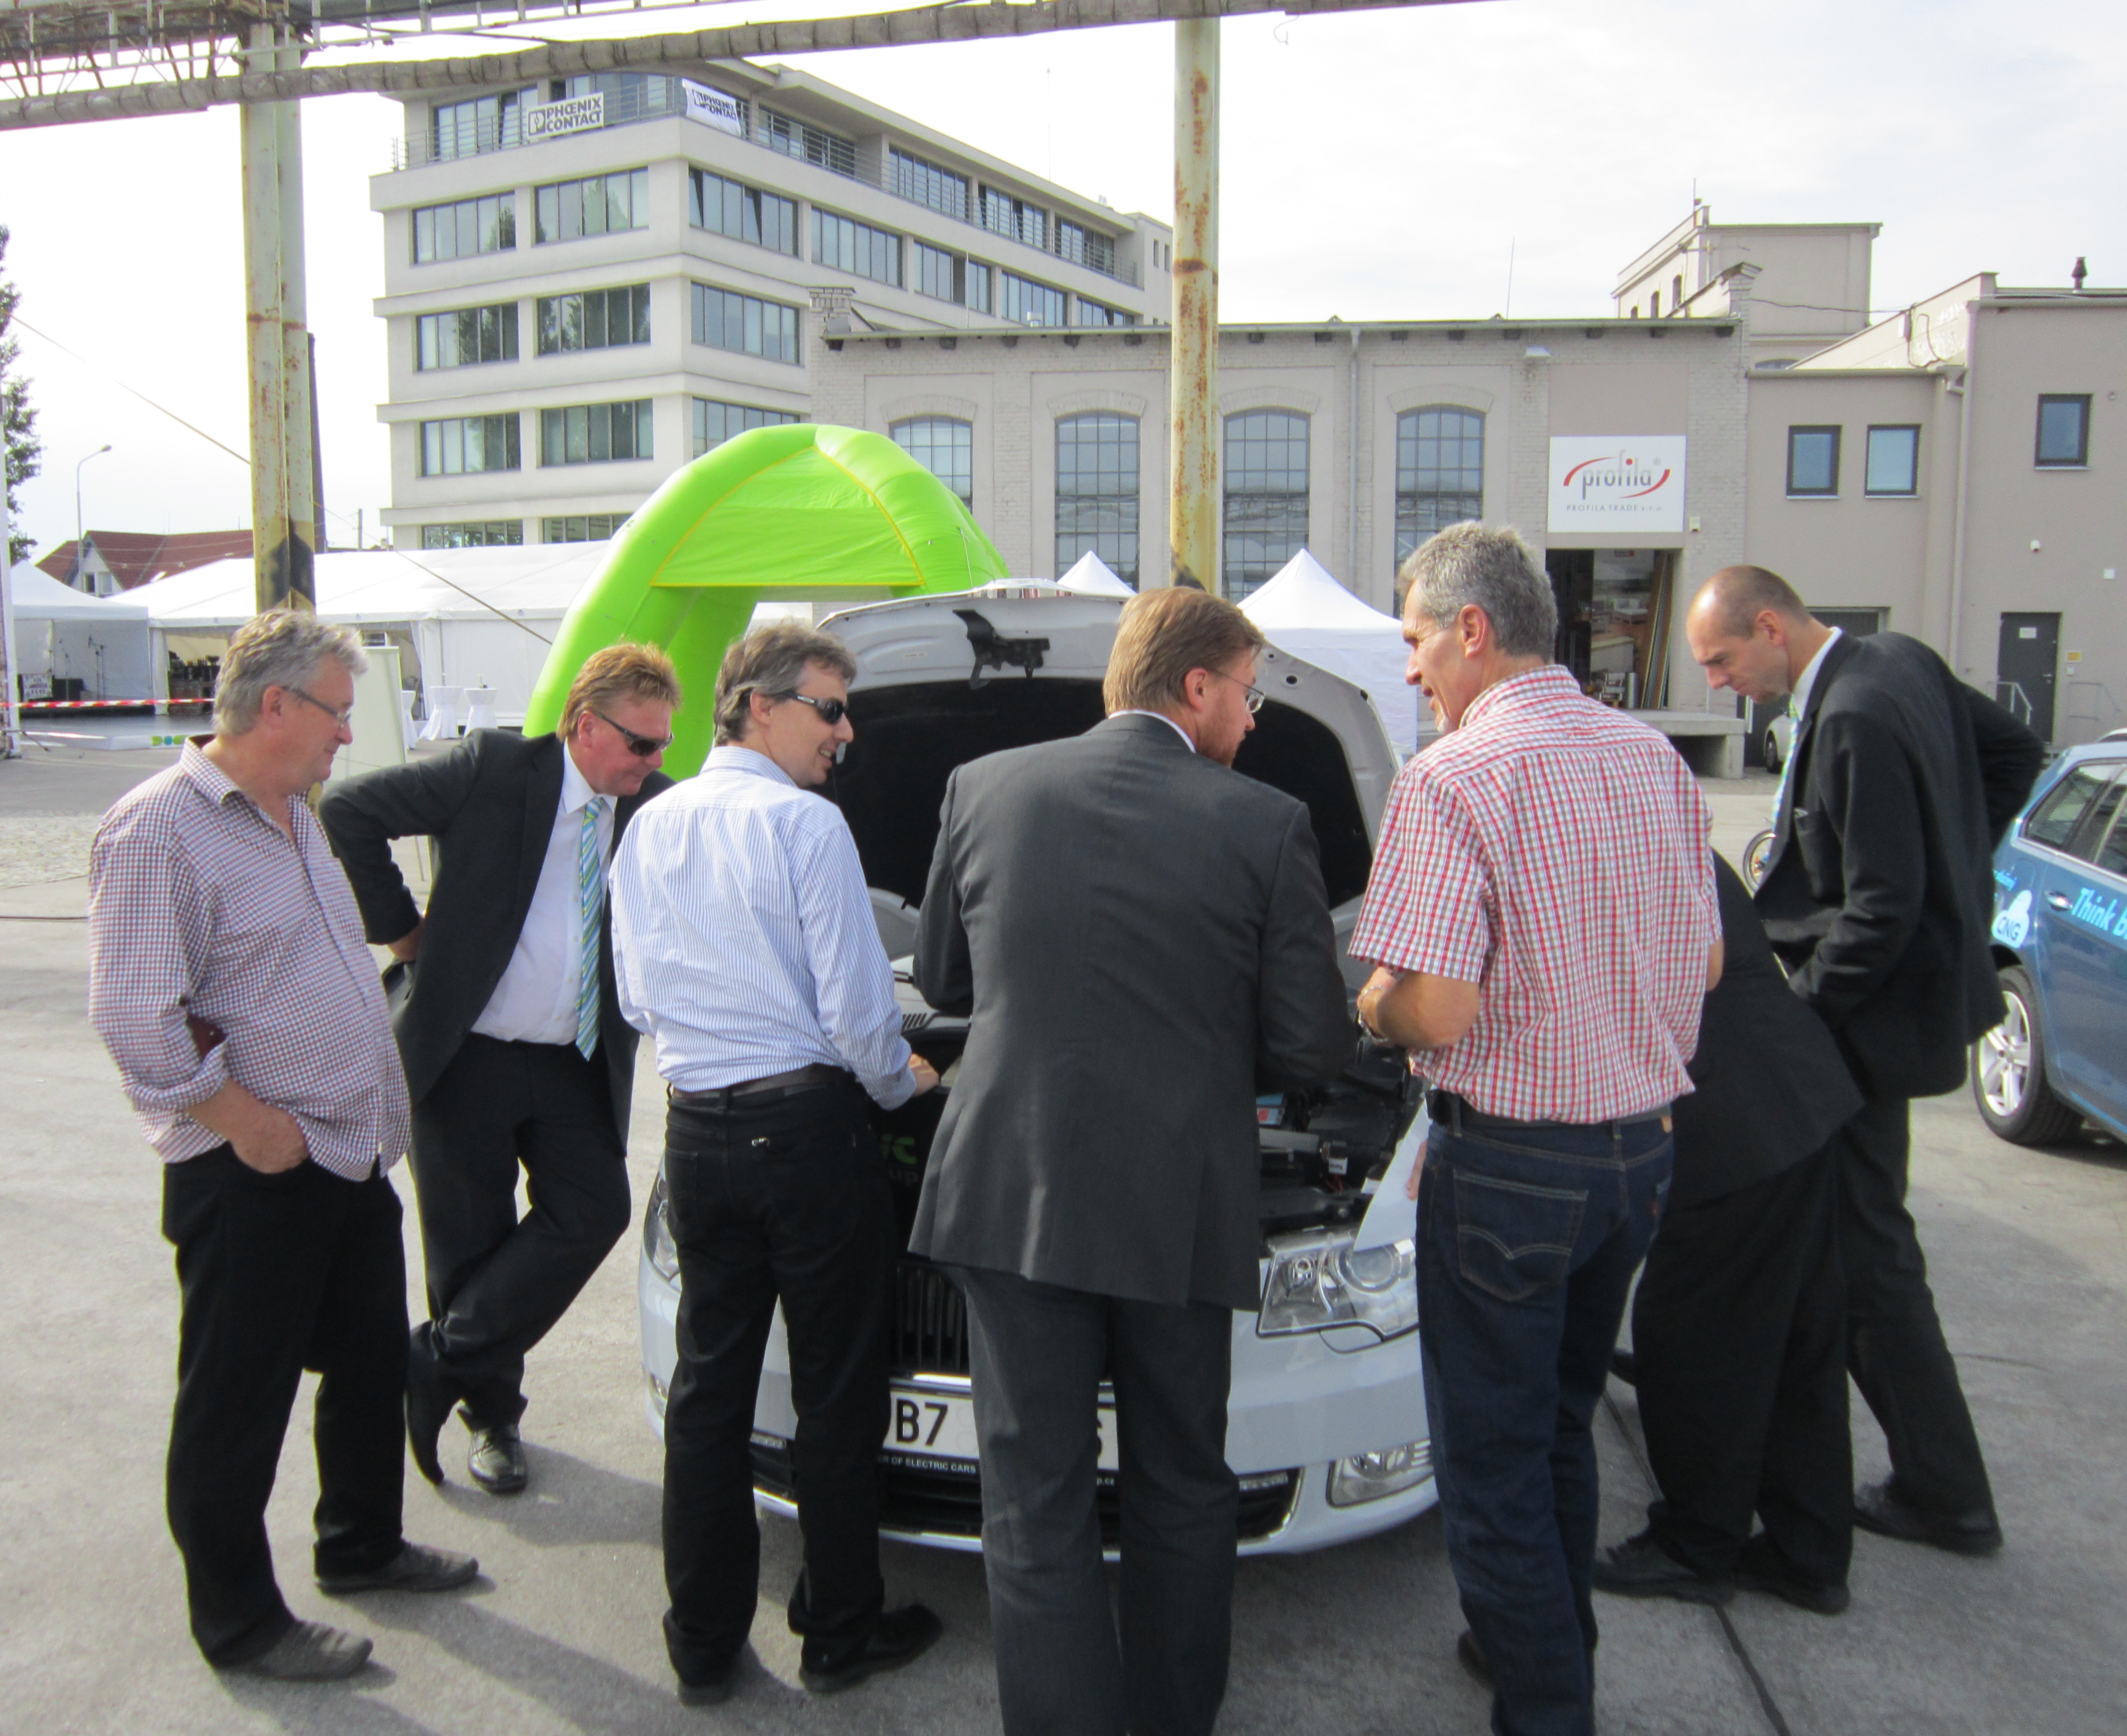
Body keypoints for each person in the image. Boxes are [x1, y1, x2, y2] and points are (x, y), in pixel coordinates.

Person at [909, 587, 1353, 1736]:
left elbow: (947, 984)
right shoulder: (1267, 822)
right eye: (1249, 695)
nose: (1252, 719)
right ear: (1197, 687)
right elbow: (1310, 1046)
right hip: (1176, 1202)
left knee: (1033, 1495)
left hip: (1011, 1191)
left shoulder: (982, 787)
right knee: (1182, 1479)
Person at [1350, 523, 1720, 1736]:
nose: (1411, 668)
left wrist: (1373, 1003)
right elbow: (1709, 964)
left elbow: (1436, 1009)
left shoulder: (1453, 777)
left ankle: (1549, 1705)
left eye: (1416, 640)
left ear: (1473, 630)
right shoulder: (1655, 759)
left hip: (1512, 1172)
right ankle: (1547, 1645)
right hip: (1639, 1160)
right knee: (1560, 1421)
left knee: (1490, 1463)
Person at [88, 611, 477, 1685]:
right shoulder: (157, 830)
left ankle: (361, 1544)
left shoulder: (294, 816)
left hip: (346, 1154)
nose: (348, 734)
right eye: (338, 713)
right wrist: (251, 1128)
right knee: (237, 1400)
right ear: (276, 706)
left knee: (368, 1362)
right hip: (252, 1170)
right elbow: (135, 1019)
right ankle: (241, 1623)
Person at [610, 621, 942, 1706]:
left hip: (696, 1134)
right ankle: (840, 1631)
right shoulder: (806, 824)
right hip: (806, 1139)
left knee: (708, 1393)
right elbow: (857, 1013)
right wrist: (907, 1084)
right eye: (830, 709)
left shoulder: (648, 824)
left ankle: (703, 1644)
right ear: (759, 704)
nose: (846, 734)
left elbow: (634, 999)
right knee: (837, 1388)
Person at [1686, 566, 2044, 1556]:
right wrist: (1959, 864)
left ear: (1771, 626)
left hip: (1866, 1028)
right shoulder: (1902, 660)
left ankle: (1944, 1489)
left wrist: (1801, 1020)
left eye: (1722, 659)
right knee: (1844, 1242)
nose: (1717, 682)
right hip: (1904, 1006)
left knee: (1869, 1257)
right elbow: (2015, 750)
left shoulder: (1855, 716)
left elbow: (1881, 910)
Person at [318, 643, 680, 1495]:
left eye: (664, 744)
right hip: (465, 1053)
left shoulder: (656, 808)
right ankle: (493, 1419)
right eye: (640, 744)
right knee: (467, 1244)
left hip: (573, 1062)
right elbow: (348, 810)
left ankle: (435, 1361)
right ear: (585, 725)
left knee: (595, 1209)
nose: (652, 761)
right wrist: (404, 933)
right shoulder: (492, 769)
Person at [1594, 853, 1864, 1615]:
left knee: (1693, 1339)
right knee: (1796, 1343)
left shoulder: (1616, 851)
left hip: (1734, 1122)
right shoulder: (1677, 834)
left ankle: (1697, 1543)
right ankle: (1808, 1551)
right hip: (1797, 1097)